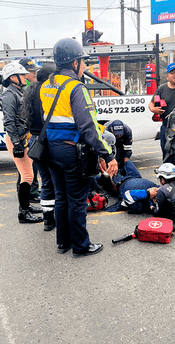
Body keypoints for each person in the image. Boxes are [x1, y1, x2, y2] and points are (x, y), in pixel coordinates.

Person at [40, 38, 117, 257]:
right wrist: (107, 154)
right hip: (70, 151)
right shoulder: (77, 88)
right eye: (82, 62)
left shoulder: (47, 85)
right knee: (76, 199)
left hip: (50, 149)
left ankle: (63, 243)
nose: (84, 66)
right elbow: (89, 127)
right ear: (74, 63)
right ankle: (81, 246)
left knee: (61, 197)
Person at [0, 61, 42, 224]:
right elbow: (9, 121)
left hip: (24, 137)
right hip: (17, 139)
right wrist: (16, 144)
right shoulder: (9, 95)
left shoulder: (18, 91)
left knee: (28, 173)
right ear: (12, 77)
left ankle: (27, 207)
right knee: (27, 175)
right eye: (22, 74)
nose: (26, 76)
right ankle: (23, 213)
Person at [22, 63, 57, 231]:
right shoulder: (49, 92)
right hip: (49, 141)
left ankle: (48, 219)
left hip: (34, 141)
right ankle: (57, 217)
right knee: (56, 180)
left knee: (45, 180)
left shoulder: (30, 92)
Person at [148, 62, 175, 164]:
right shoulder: (161, 89)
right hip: (167, 127)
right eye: (172, 73)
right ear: (167, 76)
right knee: (167, 154)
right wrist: (153, 109)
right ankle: (169, 178)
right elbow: (151, 104)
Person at [18, 57, 42, 203]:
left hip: (28, 132)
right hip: (24, 133)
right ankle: (31, 193)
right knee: (28, 166)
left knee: (30, 165)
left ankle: (32, 191)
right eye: (31, 71)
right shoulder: (24, 90)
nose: (34, 74)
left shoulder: (27, 88)